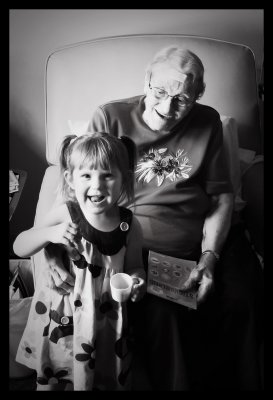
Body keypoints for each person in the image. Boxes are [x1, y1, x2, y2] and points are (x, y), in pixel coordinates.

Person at [49, 46, 263, 390]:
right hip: (138, 247)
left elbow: (221, 194)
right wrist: (51, 244)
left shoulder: (208, 120)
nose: (167, 108)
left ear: (198, 96)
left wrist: (210, 256)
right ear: (146, 81)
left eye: (182, 100)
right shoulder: (110, 117)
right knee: (166, 315)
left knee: (244, 297)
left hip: (207, 238)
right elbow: (75, 184)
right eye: (159, 92)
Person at [13, 132, 146, 391]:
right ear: (70, 180)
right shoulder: (67, 211)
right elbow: (19, 246)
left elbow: (134, 266)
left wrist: (138, 281)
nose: (97, 186)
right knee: (59, 373)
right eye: (86, 175)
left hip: (106, 319)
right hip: (64, 318)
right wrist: (50, 233)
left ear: (124, 180)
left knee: (102, 375)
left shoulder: (129, 224)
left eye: (108, 175)